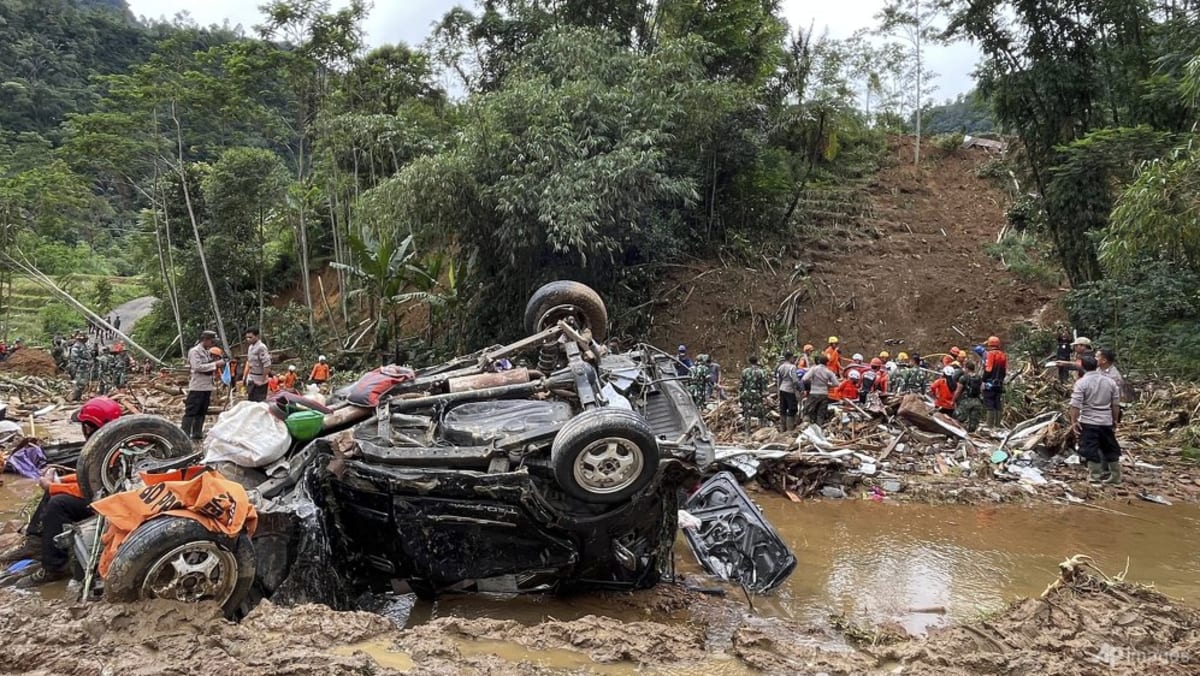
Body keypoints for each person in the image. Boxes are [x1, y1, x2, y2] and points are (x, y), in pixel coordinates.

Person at [0, 397, 123, 587]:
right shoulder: (110, 443)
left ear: (89, 427)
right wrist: (61, 479)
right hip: (107, 496)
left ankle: (54, 568)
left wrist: (53, 486)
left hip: (113, 504)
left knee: (58, 503)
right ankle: (35, 542)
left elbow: (94, 489)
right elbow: (90, 477)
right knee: (54, 492)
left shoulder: (113, 450)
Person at [1070, 355, 1122, 485]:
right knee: (1110, 447)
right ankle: (1115, 477)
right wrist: (1115, 420)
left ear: (1082, 366)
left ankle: (1095, 477)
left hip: (1089, 420)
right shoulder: (1109, 382)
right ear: (1096, 365)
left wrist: (1074, 421)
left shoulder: (1082, 383)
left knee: (1090, 448)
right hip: (1106, 420)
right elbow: (1115, 404)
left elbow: (1075, 405)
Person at [182, 330, 224, 440]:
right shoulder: (195, 351)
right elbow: (197, 367)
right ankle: (184, 435)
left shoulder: (206, 352)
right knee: (191, 411)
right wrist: (215, 364)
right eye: (211, 341)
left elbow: (207, 365)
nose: (212, 344)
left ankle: (197, 433)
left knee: (201, 411)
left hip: (207, 386)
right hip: (197, 386)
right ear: (205, 340)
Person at [801, 354, 840, 425]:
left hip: (814, 393)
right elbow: (836, 384)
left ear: (819, 361)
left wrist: (812, 382)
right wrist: (828, 385)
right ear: (827, 362)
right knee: (821, 413)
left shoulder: (814, 369)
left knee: (808, 411)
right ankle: (819, 428)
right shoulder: (829, 372)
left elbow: (804, 378)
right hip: (824, 394)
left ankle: (806, 427)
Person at [983, 336, 1008, 429]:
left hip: (990, 383)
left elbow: (988, 369)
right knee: (997, 404)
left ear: (990, 344)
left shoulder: (990, 354)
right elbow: (1005, 371)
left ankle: (989, 426)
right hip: (999, 384)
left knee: (989, 404)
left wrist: (983, 380)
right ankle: (997, 425)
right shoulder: (1003, 355)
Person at [739, 355, 769, 432]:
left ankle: (747, 432)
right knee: (761, 412)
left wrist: (741, 393)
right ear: (757, 361)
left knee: (747, 413)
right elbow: (764, 385)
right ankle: (762, 430)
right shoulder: (761, 372)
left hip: (746, 394)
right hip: (757, 394)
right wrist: (765, 394)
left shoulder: (744, 371)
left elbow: (741, 385)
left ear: (749, 362)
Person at [954, 361, 985, 433]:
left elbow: (958, 391)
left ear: (967, 368)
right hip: (977, 401)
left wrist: (953, 400)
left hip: (966, 401)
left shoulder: (963, 378)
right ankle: (971, 435)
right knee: (973, 423)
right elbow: (982, 389)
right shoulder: (979, 378)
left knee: (958, 418)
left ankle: (958, 434)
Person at [244, 327, 272, 402]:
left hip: (260, 378)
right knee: (251, 401)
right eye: (247, 337)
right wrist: (245, 376)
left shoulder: (261, 347)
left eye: (250, 337)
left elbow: (267, 365)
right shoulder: (250, 347)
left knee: (259, 402)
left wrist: (262, 380)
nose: (248, 339)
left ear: (257, 336)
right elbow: (249, 362)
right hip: (251, 377)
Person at [775, 351, 801, 431]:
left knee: (783, 408)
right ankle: (790, 428)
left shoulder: (780, 367)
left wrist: (778, 391)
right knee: (792, 409)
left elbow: (778, 380)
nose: (794, 359)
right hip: (790, 390)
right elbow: (795, 380)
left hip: (782, 389)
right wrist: (799, 389)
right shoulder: (792, 367)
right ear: (790, 358)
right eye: (793, 358)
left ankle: (783, 428)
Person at [68, 333, 93, 402]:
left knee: (83, 384)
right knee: (79, 384)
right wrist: (86, 362)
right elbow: (74, 358)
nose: (86, 340)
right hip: (79, 368)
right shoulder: (76, 346)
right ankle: (73, 398)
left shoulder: (84, 346)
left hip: (85, 368)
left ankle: (78, 398)